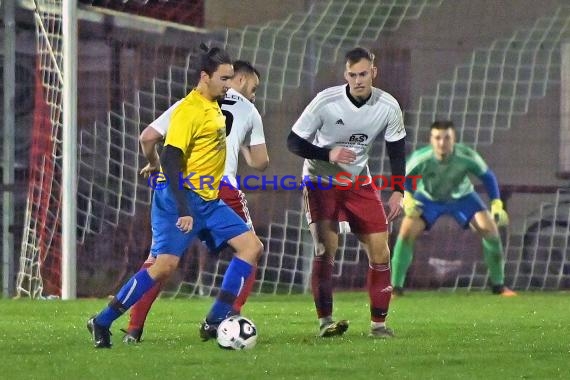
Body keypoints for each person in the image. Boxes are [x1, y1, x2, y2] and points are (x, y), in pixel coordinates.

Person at [87, 45, 264, 348]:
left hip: (208, 198)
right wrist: (183, 208)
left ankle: (216, 318)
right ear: (204, 77)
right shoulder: (189, 111)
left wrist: (153, 162)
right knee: (163, 266)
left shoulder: (214, 105)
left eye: (231, 78)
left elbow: (154, 142)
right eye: (224, 79)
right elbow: (171, 159)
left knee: (251, 247)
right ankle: (102, 321)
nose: (229, 85)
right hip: (179, 201)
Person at [287, 47, 406, 338]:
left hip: (358, 184)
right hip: (320, 181)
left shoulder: (388, 106)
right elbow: (293, 142)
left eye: (363, 74)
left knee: (381, 250)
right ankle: (325, 322)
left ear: (373, 73)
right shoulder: (326, 102)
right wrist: (328, 154)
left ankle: (378, 326)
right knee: (325, 249)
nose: (358, 80)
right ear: (346, 75)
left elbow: (396, 150)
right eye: (352, 75)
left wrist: (398, 190)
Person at [390, 120, 516, 297]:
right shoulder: (421, 157)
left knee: (490, 230)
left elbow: (487, 177)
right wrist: (408, 198)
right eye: (437, 138)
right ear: (431, 140)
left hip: (463, 198)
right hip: (428, 200)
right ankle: (396, 288)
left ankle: (499, 286)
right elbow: (404, 179)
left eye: (447, 138)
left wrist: (496, 203)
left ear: (454, 139)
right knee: (405, 232)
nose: (442, 142)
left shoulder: (466, 156)